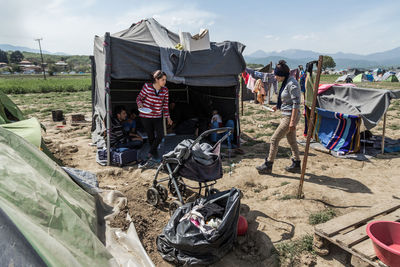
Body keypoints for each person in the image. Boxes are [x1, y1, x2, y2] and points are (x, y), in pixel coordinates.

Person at [256, 60, 302, 174]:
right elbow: (288, 100)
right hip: (286, 114)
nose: (275, 77)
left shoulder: (292, 84)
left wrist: (291, 122)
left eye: (276, 75)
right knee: (291, 140)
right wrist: (278, 106)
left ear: (282, 75)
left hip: (290, 116)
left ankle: (268, 165)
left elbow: (296, 104)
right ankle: (296, 164)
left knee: (274, 139)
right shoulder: (286, 82)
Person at [136, 70, 173, 161]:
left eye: (165, 80)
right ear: (156, 79)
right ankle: (154, 153)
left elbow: (165, 105)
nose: (165, 82)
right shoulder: (147, 87)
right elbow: (139, 98)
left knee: (160, 135)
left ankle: (151, 152)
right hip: (146, 117)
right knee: (151, 136)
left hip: (157, 116)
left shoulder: (165, 90)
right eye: (163, 80)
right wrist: (140, 104)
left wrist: (168, 117)